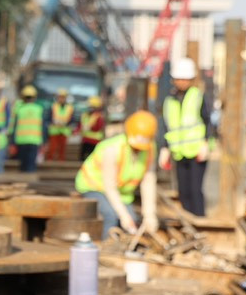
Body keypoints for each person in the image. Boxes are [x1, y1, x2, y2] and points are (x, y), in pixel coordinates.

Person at [76, 110, 161, 240]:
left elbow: (148, 182)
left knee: (132, 220)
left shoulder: (149, 148)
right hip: (94, 186)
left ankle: (125, 249)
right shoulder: (112, 149)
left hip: (121, 193)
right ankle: (106, 249)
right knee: (111, 216)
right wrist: (123, 215)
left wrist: (149, 214)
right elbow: (109, 187)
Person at [159, 58, 213, 217]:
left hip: (196, 152)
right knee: (183, 190)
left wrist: (206, 143)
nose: (181, 82)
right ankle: (187, 220)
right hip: (179, 152)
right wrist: (165, 147)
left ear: (191, 80)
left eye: (185, 79)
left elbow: (208, 121)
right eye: (179, 79)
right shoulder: (169, 100)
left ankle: (199, 220)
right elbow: (167, 126)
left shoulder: (198, 96)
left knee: (195, 189)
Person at [11, 85, 45, 172]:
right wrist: (44, 141)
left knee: (23, 164)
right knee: (31, 164)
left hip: (21, 140)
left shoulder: (19, 109)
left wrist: (12, 141)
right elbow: (43, 127)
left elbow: (14, 126)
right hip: (34, 140)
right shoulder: (39, 109)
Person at [47, 90, 73, 162]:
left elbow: (71, 119)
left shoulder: (70, 108)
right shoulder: (53, 106)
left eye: (63, 97)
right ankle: (50, 160)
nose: (61, 99)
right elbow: (49, 118)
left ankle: (61, 161)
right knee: (52, 147)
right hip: (54, 130)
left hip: (64, 130)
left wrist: (66, 124)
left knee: (62, 148)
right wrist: (54, 122)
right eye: (60, 97)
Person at [79, 95, 106, 161]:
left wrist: (90, 128)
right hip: (86, 139)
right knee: (83, 155)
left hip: (95, 140)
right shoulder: (85, 115)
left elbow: (99, 127)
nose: (90, 108)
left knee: (93, 156)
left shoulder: (99, 116)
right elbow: (80, 125)